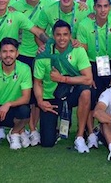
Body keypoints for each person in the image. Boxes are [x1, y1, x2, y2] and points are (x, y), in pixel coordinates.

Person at [33, 20, 94, 152]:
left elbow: (88, 79)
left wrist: (63, 79)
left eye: (65, 34)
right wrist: (40, 101)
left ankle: (80, 137)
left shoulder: (78, 50)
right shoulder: (43, 54)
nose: (62, 38)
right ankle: (55, 127)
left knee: (86, 92)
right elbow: (37, 82)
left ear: (70, 35)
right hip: (51, 97)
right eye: (58, 35)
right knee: (47, 142)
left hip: (71, 93)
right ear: (53, 36)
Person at [9, 0, 56, 146]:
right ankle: (20, 129)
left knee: (38, 93)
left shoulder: (49, 4)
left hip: (41, 54)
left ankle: (33, 127)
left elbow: (66, 4)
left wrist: (84, 5)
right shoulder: (16, 4)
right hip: (21, 54)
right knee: (22, 92)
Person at [76, 0, 111, 148]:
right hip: (90, 64)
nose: (102, 10)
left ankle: (105, 130)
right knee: (91, 96)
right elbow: (82, 52)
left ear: (109, 7)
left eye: (105, 6)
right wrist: (88, 74)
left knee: (108, 99)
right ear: (94, 8)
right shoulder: (84, 25)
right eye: (99, 6)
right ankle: (90, 134)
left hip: (110, 63)